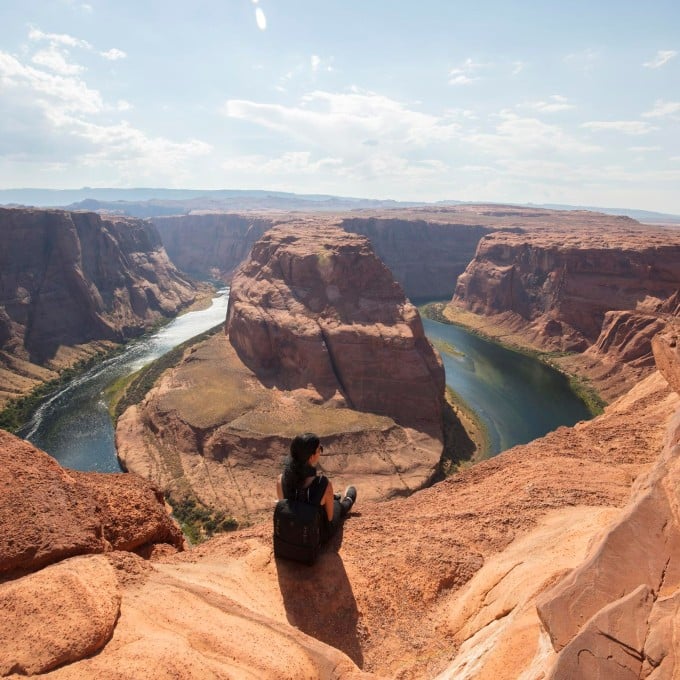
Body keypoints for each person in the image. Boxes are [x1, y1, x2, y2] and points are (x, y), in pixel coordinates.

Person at [276, 432, 357, 543]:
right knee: (337, 506)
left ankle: (333, 497)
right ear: (312, 456)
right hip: (314, 537)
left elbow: (285, 508)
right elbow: (329, 519)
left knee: (326, 499)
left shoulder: (280, 480)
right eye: (320, 449)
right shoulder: (323, 484)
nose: (320, 452)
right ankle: (348, 499)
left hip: (289, 534)